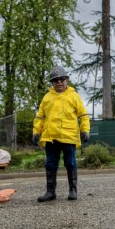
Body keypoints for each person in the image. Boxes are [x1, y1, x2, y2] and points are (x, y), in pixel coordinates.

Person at [32, 66, 90, 202]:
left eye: (62, 79)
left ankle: (73, 190)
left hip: (68, 137)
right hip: (50, 137)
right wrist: (36, 131)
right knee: (50, 164)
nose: (59, 82)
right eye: (55, 80)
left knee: (70, 163)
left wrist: (85, 129)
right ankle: (50, 192)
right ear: (52, 83)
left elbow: (83, 115)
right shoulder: (47, 97)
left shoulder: (74, 96)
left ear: (66, 81)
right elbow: (40, 117)